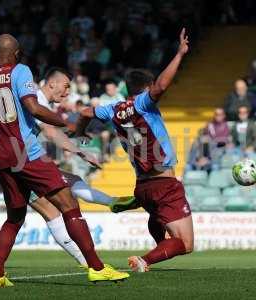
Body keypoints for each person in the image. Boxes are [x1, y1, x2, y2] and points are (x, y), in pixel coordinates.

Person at [0, 34, 129, 287]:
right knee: (69, 205)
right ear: (16, 53)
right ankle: (97, 268)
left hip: (1, 156)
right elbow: (33, 108)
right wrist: (67, 122)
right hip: (26, 152)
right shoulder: (19, 70)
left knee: (14, 218)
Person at [76, 28, 193, 272]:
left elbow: (85, 112)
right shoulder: (143, 102)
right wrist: (180, 54)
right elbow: (161, 85)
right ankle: (145, 260)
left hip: (142, 187)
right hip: (164, 183)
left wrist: (81, 135)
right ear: (145, 88)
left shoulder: (113, 108)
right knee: (185, 244)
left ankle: (157, 246)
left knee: (156, 217)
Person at [29, 67, 137, 267]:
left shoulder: (39, 100)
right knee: (53, 213)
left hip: (21, 162)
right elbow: (50, 132)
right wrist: (81, 152)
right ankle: (89, 262)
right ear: (52, 83)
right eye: (66, 86)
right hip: (22, 165)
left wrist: (78, 138)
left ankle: (112, 204)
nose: (68, 92)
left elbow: (54, 130)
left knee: (72, 185)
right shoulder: (36, 100)